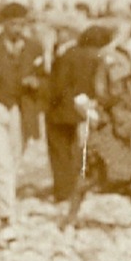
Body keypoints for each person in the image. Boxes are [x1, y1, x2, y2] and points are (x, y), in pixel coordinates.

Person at [60, 27, 131, 230]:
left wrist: (94, 105)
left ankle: (70, 218)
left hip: (108, 125)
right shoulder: (121, 56)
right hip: (121, 124)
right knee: (125, 172)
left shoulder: (109, 60)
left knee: (90, 170)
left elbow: (111, 93)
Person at [0, 3, 46, 245]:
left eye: (22, 23)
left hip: (21, 110)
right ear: (3, 24)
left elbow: (46, 79)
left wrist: (37, 83)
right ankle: (6, 221)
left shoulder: (35, 47)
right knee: (0, 164)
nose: (18, 28)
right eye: (13, 23)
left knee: (10, 166)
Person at [45, 25, 109, 204]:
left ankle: (63, 192)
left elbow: (58, 85)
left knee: (59, 152)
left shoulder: (68, 55)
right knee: (77, 150)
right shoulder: (95, 57)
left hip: (60, 111)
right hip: (83, 109)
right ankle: (76, 187)